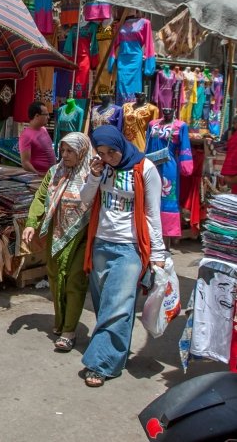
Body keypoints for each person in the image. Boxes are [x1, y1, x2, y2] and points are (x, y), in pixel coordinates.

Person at [79, 125, 166, 388]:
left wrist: (158, 253)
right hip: (101, 243)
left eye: (112, 152)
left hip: (130, 248)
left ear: (121, 145)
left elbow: (152, 213)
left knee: (116, 306)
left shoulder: (145, 168)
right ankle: (116, 354)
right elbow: (85, 199)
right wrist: (93, 177)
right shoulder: (100, 167)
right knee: (108, 305)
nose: (108, 157)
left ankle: (100, 363)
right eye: (102, 152)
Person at [22, 132, 93, 352]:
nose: (65, 155)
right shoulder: (55, 172)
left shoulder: (92, 175)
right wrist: (31, 222)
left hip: (81, 235)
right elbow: (41, 197)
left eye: (70, 151)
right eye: (63, 150)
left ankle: (69, 331)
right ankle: (60, 322)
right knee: (55, 277)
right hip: (56, 233)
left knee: (74, 281)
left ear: (81, 151)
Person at [19, 101, 56, 176]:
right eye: (46, 115)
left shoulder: (43, 129)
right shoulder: (26, 135)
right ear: (37, 116)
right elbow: (25, 162)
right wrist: (38, 174)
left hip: (51, 174)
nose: (48, 117)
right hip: (39, 178)